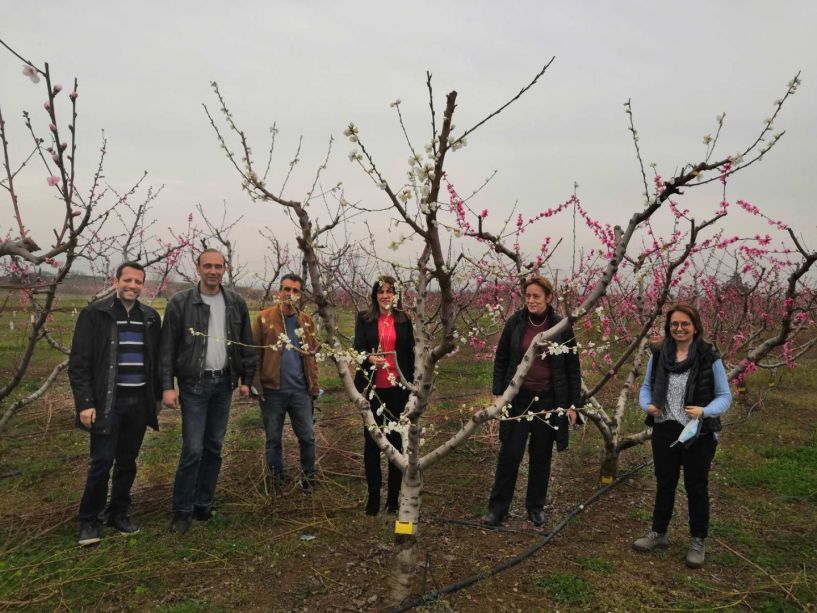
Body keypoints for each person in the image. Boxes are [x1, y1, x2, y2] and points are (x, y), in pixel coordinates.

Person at [160, 248, 255, 534]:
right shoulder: (180, 303)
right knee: (193, 448)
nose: (213, 271)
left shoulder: (235, 303)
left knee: (214, 447)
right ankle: (182, 509)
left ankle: (203, 503)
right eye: (207, 266)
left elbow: (245, 343)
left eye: (218, 266)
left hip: (223, 384)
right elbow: (167, 349)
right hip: (193, 385)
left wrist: (246, 379)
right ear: (198, 268)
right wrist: (167, 386)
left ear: (225, 269)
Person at [69, 261, 162, 546]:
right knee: (101, 462)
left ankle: (118, 513)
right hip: (108, 402)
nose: (133, 286)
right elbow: (79, 363)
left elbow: (154, 362)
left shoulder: (149, 317)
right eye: (128, 280)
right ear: (116, 280)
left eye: (138, 282)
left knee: (127, 462)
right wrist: (85, 403)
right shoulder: (95, 314)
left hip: (138, 402)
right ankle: (89, 520)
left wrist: (156, 398)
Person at [632, 302, 731, 569]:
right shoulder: (660, 352)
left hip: (698, 431)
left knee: (696, 485)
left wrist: (704, 411)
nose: (679, 328)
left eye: (685, 324)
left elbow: (724, 396)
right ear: (668, 327)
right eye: (674, 324)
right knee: (665, 481)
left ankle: (698, 540)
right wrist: (648, 405)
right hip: (665, 427)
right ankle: (659, 532)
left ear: (695, 326)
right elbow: (646, 387)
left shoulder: (709, 355)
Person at [484, 275, 581, 528]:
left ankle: (535, 507)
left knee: (541, 455)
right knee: (510, 454)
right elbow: (502, 358)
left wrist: (572, 404)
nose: (531, 300)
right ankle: (498, 508)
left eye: (536, 296)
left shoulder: (561, 327)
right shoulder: (516, 323)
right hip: (518, 398)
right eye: (528, 296)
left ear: (549, 298)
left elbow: (572, 368)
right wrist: (498, 393)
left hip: (548, 400)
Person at [354, 276, 415, 515]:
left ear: (396, 295)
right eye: (381, 291)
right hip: (373, 388)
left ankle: (392, 498)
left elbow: (409, 355)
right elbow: (358, 347)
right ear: (375, 295)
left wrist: (411, 386)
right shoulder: (365, 319)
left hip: (397, 389)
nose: (385, 295)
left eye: (390, 291)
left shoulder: (404, 320)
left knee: (396, 443)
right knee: (371, 444)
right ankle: (373, 496)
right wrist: (369, 359)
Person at [252, 273, 320, 488]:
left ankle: (308, 478)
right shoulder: (263, 318)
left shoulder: (306, 321)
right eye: (286, 289)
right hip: (273, 391)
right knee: (273, 440)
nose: (290, 294)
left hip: (300, 391)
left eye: (295, 291)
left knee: (307, 437)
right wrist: (257, 385)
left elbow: (311, 357)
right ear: (279, 292)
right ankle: (275, 479)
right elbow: (255, 355)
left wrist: (314, 385)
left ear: (300, 295)